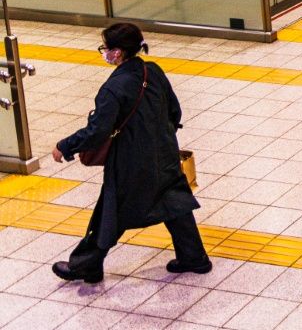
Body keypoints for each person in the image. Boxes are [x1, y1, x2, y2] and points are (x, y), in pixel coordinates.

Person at [51, 22, 210, 284]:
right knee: (175, 202)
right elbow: (174, 110)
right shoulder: (152, 70)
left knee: (111, 210)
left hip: (131, 162)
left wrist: (65, 146)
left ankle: (86, 265)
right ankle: (194, 257)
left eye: (107, 48)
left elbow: (98, 131)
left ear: (119, 52)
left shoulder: (113, 89)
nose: (104, 52)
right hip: (165, 152)